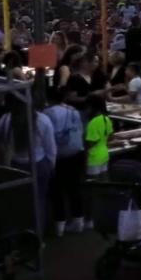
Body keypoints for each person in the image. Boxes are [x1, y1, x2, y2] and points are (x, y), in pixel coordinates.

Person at [0, 95, 56, 230]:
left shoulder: (6, 119)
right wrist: (51, 167)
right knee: (39, 200)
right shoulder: (43, 120)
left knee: (17, 202)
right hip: (39, 165)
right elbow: (51, 148)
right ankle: (38, 233)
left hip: (15, 166)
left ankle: (19, 232)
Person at [45, 85, 86, 236]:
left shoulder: (47, 113)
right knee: (74, 188)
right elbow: (80, 131)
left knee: (57, 191)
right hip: (76, 153)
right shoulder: (74, 111)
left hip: (58, 156)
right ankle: (78, 221)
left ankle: (59, 225)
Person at [84, 94, 113, 179]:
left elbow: (91, 143)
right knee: (105, 182)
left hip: (93, 158)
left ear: (92, 107)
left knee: (94, 185)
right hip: (104, 154)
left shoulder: (92, 123)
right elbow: (111, 136)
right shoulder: (106, 119)